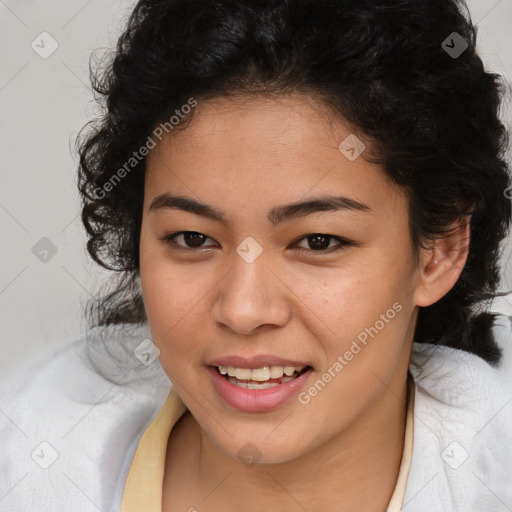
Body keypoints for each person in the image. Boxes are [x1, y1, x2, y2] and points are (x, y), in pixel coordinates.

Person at [1, 0, 512, 510]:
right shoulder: (28, 459)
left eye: (318, 241)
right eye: (193, 239)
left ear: (438, 253)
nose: (243, 311)